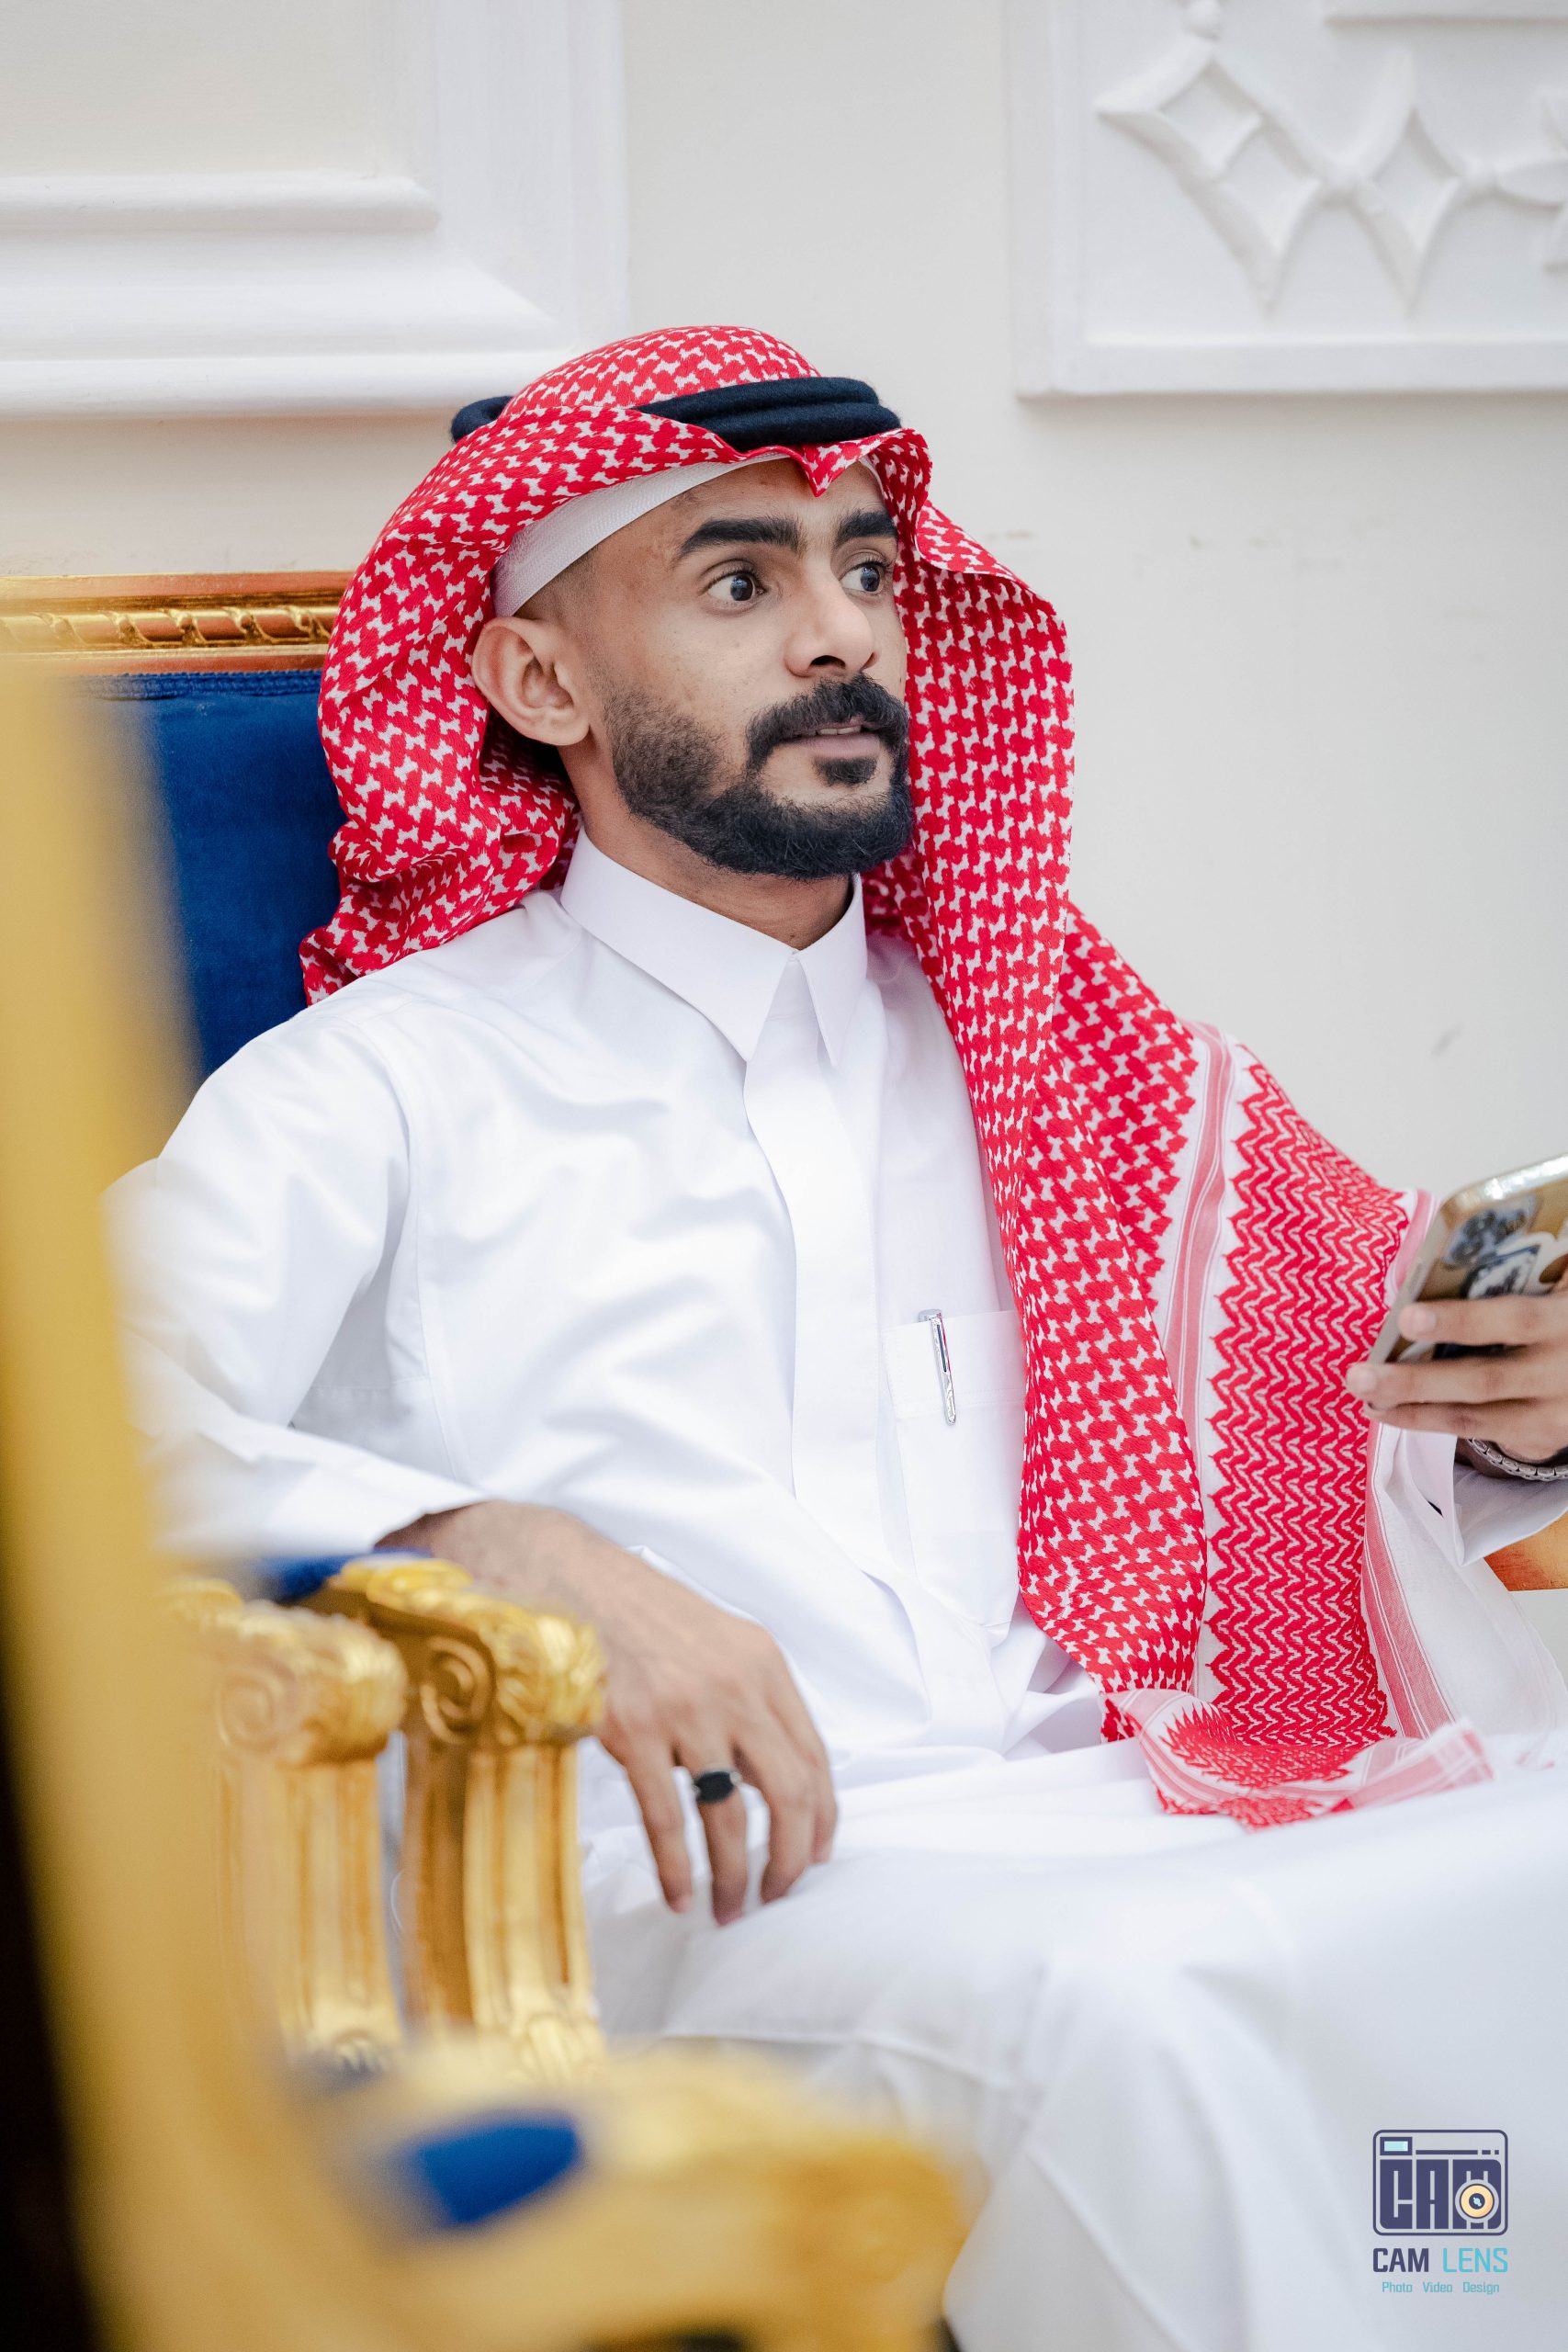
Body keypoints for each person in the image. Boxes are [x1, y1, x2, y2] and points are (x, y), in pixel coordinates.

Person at [113, 327, 1568, 2351]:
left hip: (1128, 1790)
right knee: (1134, 2014)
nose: (841, 636)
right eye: (739, 580)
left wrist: (1514, 1416)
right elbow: (75, 1413)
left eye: (867, 569)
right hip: (707, 1871)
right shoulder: (382, 1081)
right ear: (540, 683)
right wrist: (491, 1541)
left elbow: (1318, 1415)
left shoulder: (1053, 1041)